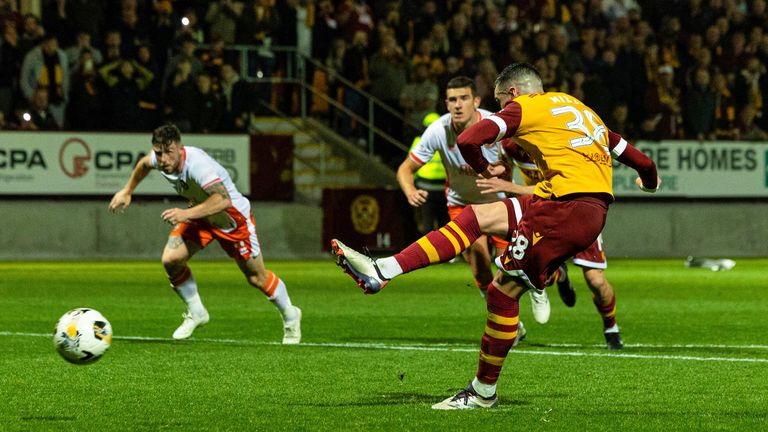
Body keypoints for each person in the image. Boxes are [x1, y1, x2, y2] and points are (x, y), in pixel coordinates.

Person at [331, 63, 659, 409]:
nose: (504, 109)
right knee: (477, 217)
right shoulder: (582, 110)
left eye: (502, 102)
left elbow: (468, 139)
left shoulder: (526, 106)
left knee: (502, 293)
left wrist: (483, 168)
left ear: (514, 93)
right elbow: (646, 165)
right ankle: (384, 270)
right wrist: (648, 185)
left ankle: (482, 392)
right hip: (566, 203)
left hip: (564, 210)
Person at [108, 123, 301, 344]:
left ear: (180, 149)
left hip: (231, 219)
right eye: (159, 153)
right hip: (200, 214)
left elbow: (223, 199)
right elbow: (143, 164)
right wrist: (127, 190)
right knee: (171, 260)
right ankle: (197, 312)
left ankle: (291, 315)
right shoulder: (159, 159)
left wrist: (184, 214)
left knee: (257, 278)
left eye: (168, 153)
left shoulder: (198, 166)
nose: (163, 160)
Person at [395, 76, 552, 324]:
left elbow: (514, 158)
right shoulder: (438, 130)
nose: (458, 105)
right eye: (452, 100)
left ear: (476, 101)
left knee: (511, 265)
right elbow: (404, 169)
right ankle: (507, 321)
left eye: (464, 98)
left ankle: (539, 286)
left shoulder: (494, 124)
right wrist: (410, 190)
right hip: (462, 204)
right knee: (480, 264)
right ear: (446, 104)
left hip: (499, 202)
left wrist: (500, 170)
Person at [476, 137, 624, 350]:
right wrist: (499, 170)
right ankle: (556, 277)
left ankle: (611, 327)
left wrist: (508, 185)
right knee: (532, 269)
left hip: (578, 210)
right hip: (544, 215)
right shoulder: (509, 144)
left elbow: (555, 187)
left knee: (596, 281)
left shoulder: (554, 140)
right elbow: (505, 165)